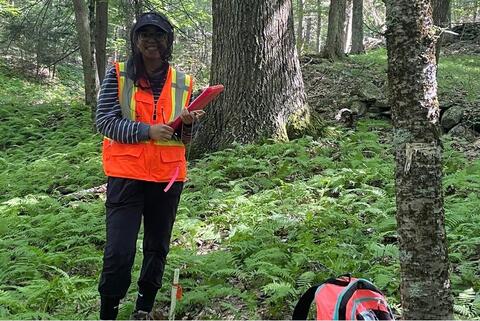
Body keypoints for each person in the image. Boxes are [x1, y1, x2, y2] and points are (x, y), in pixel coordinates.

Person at [95, 11, 204, 320]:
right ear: (136, 40)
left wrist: (188, 124)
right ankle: (109, 312)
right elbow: (104, 122)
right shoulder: (118, 75)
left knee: (157, 250)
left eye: (158, 36)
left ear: (168, 41)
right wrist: (146, 131)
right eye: (145, 35)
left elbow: (185, 141)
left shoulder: (183, 82)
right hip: (126, 176)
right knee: (119, 252)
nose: (151, 41)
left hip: (168, 178)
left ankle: (143, 310)